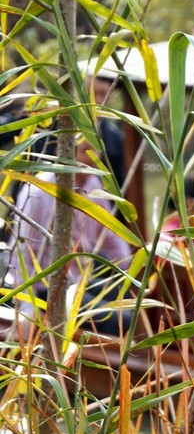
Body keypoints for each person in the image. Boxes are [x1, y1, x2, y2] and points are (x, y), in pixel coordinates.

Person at [1, 138, 134, 325]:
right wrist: (27, 304)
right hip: (47, 289)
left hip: (78, 280)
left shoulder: (93, 186)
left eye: (97, 151)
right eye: (86, 150)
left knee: (133, 294)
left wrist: (130, 269)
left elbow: (109, 234)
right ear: (65, 153)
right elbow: (21, 252)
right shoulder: (40, 192)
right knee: (122, 320)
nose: (94, 158)